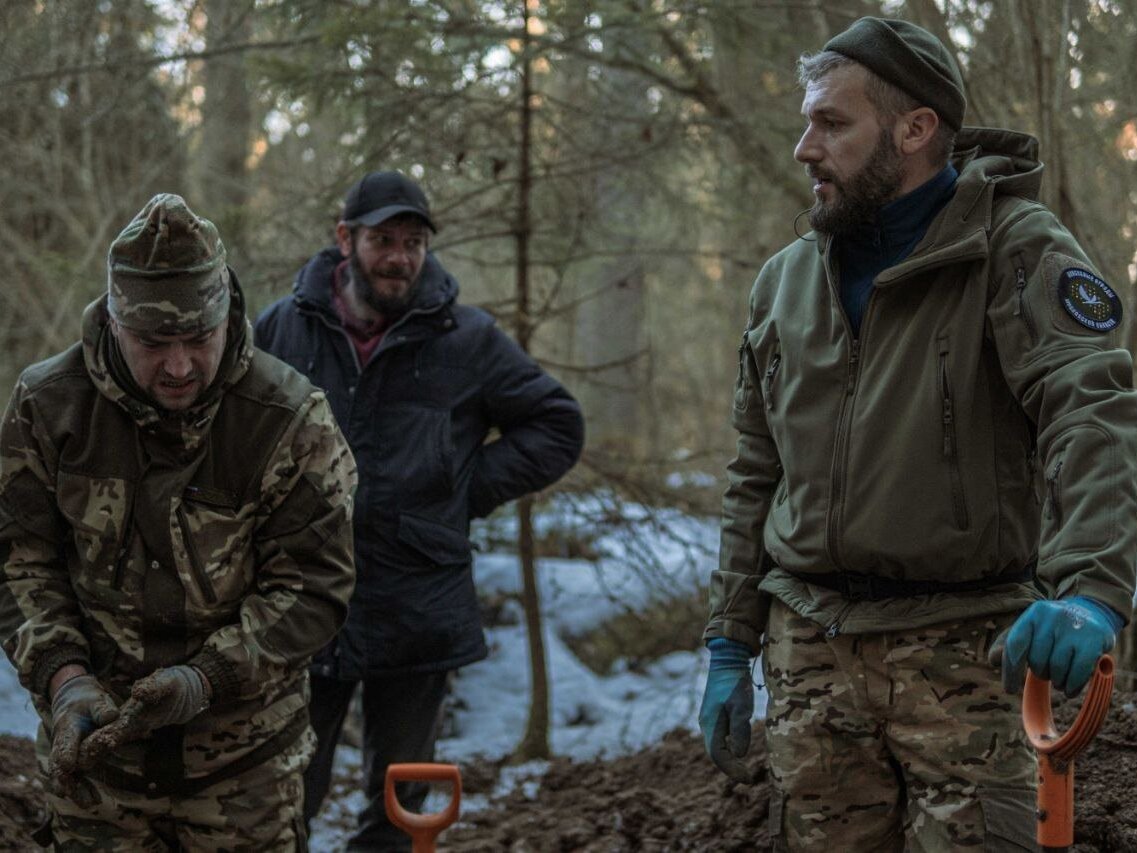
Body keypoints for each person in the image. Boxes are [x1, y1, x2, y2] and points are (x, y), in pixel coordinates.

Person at [698, 16, 1137, 852]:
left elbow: (1091, 411)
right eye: (806, 121)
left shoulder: (1013, 251)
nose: (803, 147)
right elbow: (755, 467)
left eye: (831, 123)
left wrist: (1090, 588)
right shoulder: (784, 281)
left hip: (967, 654)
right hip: (812, 656)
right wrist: (730, 637)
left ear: (914, 128)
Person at [0, 193, 357, 850]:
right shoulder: (48, 406)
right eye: (153, 342)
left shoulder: (289, 419)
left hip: (242, 773)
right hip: (96, 772)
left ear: (227, 316)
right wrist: (64, 676)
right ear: (113, 321)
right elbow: (17, 555)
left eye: (198, 338)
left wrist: (207, 678)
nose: (179, 365)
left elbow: (312, 586)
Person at [254, 170, 584, 849]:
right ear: (345, 238)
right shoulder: (284, 328)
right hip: (300, 599)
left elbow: (557, 424)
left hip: (417, 597)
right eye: (383, 239)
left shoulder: (466, 338)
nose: (399, 257)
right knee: (282, 795)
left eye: (413, 241)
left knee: (400, 807)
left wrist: (466, 487)